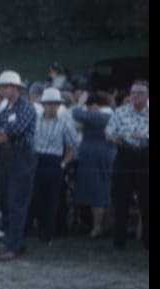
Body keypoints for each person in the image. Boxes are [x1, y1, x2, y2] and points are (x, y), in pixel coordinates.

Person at [0, 70, 38, 261]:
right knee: (6, 201)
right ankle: (14, 242)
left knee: (16, 201)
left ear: (15, 88)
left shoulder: (26, 107)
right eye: (1, 87)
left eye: (5, 86)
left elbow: (16, 130)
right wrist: (2, 135)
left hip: (21, 156)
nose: (2, 90)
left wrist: (2, 134)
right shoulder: (4, 110)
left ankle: (14, 245)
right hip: (6, 156)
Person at [29, 87, 79, 246]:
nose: (51, 107)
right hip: (37, 160)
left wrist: (63, 164)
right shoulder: (34, 120)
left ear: (59, 105)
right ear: (43, 105)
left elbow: (72, 147)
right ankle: (36, 229)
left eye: (55, 104)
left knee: (53, 200)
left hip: (54, 162)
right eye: (49, 104)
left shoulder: (65, 123)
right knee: (36, 198)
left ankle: (47, 234)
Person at [105, 81, 149, 250]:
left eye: (140, 93)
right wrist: (113, 138)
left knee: (146, 200)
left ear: (147, 95)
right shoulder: (120, 112)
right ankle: (119, 240)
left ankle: (147, 240)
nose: (135, 96)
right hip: (124, 154)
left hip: (145, 156)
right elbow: (108, 132)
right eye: (133, 93)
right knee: (120, 198)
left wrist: (144, 137)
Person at [72, 93, 115, 238]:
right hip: (100, 155)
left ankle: (98, 228)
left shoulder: (101, 116)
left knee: (98, 192)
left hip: (96, 156)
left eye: (89, 107)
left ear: (95, 105)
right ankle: (105, 225)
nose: (88, 109)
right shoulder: (107, 115)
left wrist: (80, 103)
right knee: (102, 190)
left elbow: (76, 113)